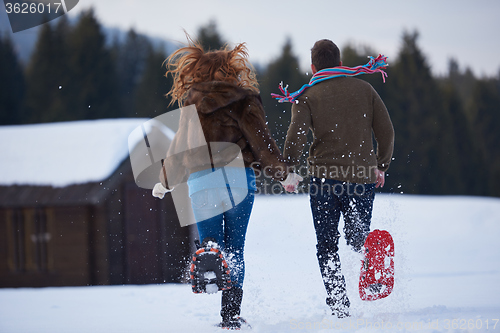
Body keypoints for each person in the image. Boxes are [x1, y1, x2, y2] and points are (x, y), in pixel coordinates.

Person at [153, 38, 301, 329]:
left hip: (201, 182)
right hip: (238, 180)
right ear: (231, 68)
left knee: (214, 245)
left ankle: (209, 254)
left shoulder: (191, 102)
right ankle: (230, 316)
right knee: (236, 249)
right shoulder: (245, 98)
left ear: (199, 70)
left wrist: (165, 182)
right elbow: (261, 143)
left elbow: (179, 148)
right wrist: (285, 175)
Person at [281, 39, 395, 318]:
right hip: (361, 177)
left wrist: (289, 171)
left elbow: (295, 136)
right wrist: (381, 165)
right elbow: (387, 131)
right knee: (357, 237)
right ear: (341, 63)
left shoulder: (306, 96)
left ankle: (338, 302)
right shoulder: (365, 89)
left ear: (313, 66)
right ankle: (363, 242)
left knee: (326, 244)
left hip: (324, 180)